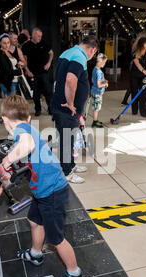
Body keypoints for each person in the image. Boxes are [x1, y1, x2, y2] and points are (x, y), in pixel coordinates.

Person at [0, 95, 83, 277]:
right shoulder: (25, 130)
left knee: (57, 238)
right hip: (42, 191)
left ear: (4, 119)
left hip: (53, 192)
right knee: (33, 221)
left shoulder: (23, 131)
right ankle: (36, 253)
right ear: (29, 117)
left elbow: (26, 147)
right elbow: (15, 171)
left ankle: (74, 273)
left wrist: (5, 160)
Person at [51, 36, 99, 184]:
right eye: (94, 53)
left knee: (69, 139)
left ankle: (70, 165)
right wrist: (71, 103)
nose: (92, 56)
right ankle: (66, 172)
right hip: (66, 109)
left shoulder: (68, 52)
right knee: (67, 139)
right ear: (92, 49)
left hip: (61, 106)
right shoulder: (80, 56)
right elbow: (70, 80)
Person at [22, 28, 54, 116]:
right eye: (38, 36)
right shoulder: (26, 46)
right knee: (36, 92)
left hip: (44, 72)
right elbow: (24, 60)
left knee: (48, 91)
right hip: (33, 73)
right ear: (33, 35)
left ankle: (50, 109)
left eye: (41, 36)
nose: (40, 38)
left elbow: (51, 53)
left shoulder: (44, 43)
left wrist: (49, 63)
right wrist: (27, 71)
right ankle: (38, 109)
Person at [129, 36, 146, 117]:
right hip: (134, 75)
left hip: (144, 76)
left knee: (143, 94)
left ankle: (143, 112)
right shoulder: (135, 53)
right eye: (143, 46)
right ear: (140, 46)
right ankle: (134, 111)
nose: (145, 48)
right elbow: (138, 65)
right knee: (134, 93)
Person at [90, 53, 109, 128]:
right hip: (97, 92)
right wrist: (105, 84)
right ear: (100, 61)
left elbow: (93, 80)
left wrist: (104, 80)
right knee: (96, 108)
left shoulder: (95, 69)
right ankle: (94, 122)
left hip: (95, 91)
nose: (104, 64)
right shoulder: (99, 72)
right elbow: (98, 84)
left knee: (96, 107)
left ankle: (96, 120)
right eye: (104, 62)